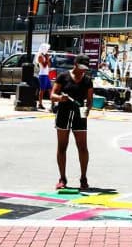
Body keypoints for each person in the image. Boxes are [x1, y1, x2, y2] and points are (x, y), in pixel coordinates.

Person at [50, 54, 94, 191]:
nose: (83, 70)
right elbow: (52, 95)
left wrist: (88, 109)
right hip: (63, 113)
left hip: (79, 115)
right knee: (62, 147)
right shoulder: (63, 77)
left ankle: (83, 178)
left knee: (82, 147)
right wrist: (60, 98)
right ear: (75, 64)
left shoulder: (87, 80)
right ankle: (62, 178)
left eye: (85, 68)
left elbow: (90, 99)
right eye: (81, 67)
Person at [36, 44, 52, 111]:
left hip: (46, 74)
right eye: (47, 49)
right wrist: (48, 59)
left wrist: (48, 59)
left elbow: (49, 65)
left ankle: (53, 104)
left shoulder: (45, 56)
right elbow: (44, 66)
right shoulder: (40, 56)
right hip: (42, 75)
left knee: (50, 89)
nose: (48, 50)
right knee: (42, 90)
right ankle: (40, 104)